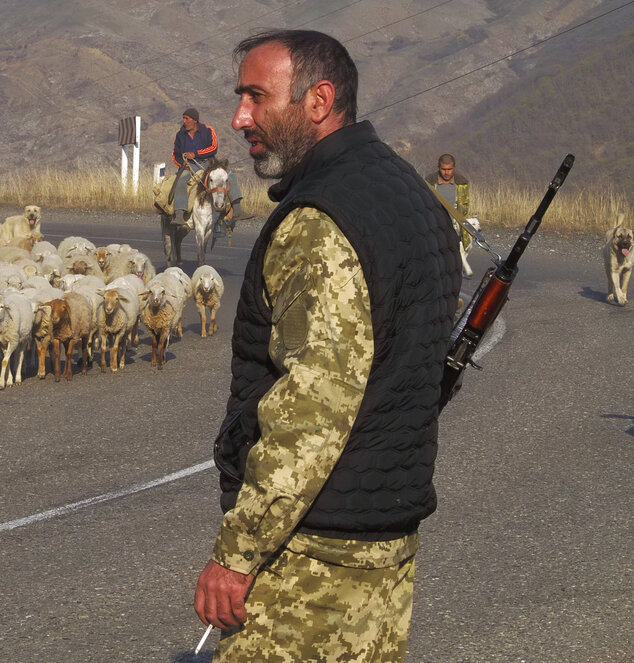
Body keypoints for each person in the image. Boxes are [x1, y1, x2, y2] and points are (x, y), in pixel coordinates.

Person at [193, 29, 462, 662]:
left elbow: (313, 410)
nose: (239, 118)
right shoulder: (414, 201)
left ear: (318, 101)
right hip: (385, 540)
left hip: (314, 558)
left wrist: (237, 554)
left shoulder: (323, 219)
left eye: (257, 98)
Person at [171, 108, 252, 224]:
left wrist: (196, 154)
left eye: (186, 118)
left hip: (209, 164)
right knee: (181, 181)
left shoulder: (208, 131)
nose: (184, 121)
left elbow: (213, 148)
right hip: (190, 166)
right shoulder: (180, 135)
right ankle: (179, 214)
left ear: (194, 120)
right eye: (183, 118)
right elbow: (175, 154)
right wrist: (183, 164)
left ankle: (237, 209)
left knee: (229, 175)